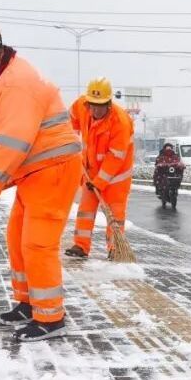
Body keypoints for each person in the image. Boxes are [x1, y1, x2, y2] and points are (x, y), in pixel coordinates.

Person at [0, 20, 83, 342]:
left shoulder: (16, 83)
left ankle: (51, 317)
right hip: (36, 173)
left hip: (53, 171)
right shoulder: (5, 80)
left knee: (37, 244)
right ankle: (29, 303)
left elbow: (13, 143)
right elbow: (16, 146)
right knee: (16, 238)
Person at [64, 78, 135, 259]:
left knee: (115, 214)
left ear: (109, 103)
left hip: (117, 177)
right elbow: (69, 118)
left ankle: (115, 249)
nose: (95, 110)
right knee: (86, 210)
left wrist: (100, 182)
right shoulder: (82, 106)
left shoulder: (120, 122)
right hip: (91, 172)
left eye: (100, 106)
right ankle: (81, 246)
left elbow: (115, 157)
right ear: (87, 102)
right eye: (92, 105)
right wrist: (71, 138)